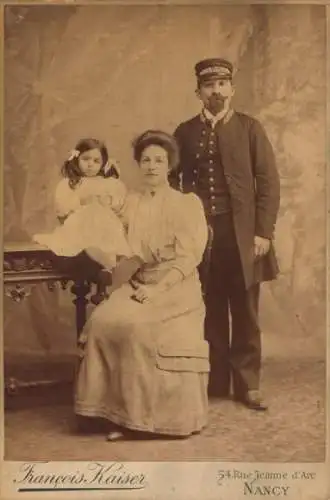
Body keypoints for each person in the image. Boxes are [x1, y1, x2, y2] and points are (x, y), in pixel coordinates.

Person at [75, 130, 210, 441]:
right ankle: (103, 412)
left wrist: (157, 290)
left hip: (177, 286)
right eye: (146, 160)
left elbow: (189, 258)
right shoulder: (131, 203)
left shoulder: (186, 203)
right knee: (101, 321)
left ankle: (138, 419)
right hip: (141, 281)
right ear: (138, 164)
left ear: (169, 166)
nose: (151, 166)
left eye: (159, 161)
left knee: (137, 327)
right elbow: (114, 239)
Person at [171, 58, 280, 411]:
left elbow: (268, 183)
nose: (215, 91)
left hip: (243, 233)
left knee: (246, 309)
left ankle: (248, 385)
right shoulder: (185, 132)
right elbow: (172, 182)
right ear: (198, 92)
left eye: (222, 85)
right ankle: (216, 381)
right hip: (202, 235)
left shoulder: (250, 128)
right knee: (210, 306)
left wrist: (263, 232)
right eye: (209, 86)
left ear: (231, 88)